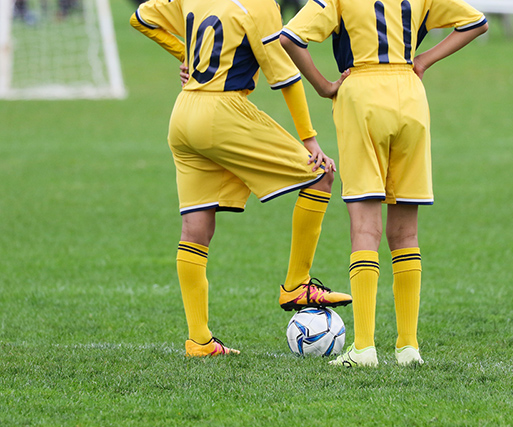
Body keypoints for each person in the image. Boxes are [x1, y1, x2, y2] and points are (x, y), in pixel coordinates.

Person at [130, 0, 352, 357]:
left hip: (184, 114)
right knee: (320, 175)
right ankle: (296, 285)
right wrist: (310, 140)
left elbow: (142, 17)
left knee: (195, 230)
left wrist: (186, 56)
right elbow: (286, 77)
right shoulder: (259, 5)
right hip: (222, 112)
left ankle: (199, 340)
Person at [280, 0, 488, 367]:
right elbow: (477, 23)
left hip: (361, 94)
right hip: (410, 97)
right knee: (406, 234)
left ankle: (364, 348)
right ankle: (408, 348)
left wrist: (325, 87)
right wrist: (422, 60)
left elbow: (291, 38)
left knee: (364, 228)